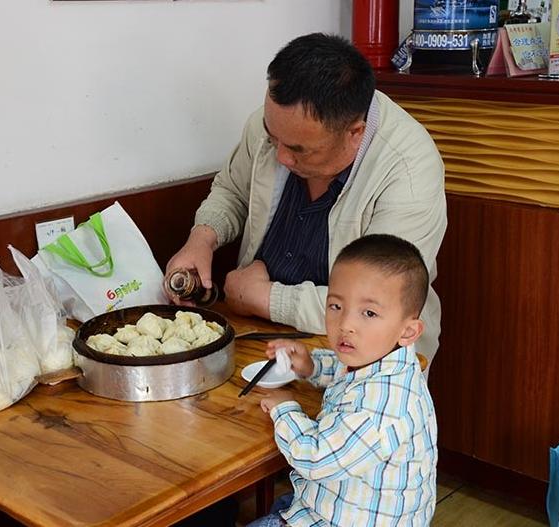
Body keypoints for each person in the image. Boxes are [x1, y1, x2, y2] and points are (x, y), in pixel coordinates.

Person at [165, 33, 446, 369]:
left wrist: (266, 298)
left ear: (354, 132)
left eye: (299, 150)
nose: (281, 156)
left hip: (367, 360)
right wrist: (203, 238)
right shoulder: (279, 124)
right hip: (257, 334)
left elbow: (380, 301)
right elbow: (232, 191)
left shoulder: (408, 168)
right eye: (273, 139)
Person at [247, 234, 438, 527]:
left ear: (409, 332)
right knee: (283, 503)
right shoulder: (381, 361)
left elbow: (315, 457)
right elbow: (344, 369)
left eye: (369, 313)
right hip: (342, 502)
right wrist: (310, 365)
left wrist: (285, 409)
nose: (346, 324)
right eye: (336, 306)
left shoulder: (384, 404)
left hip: (338, 517)